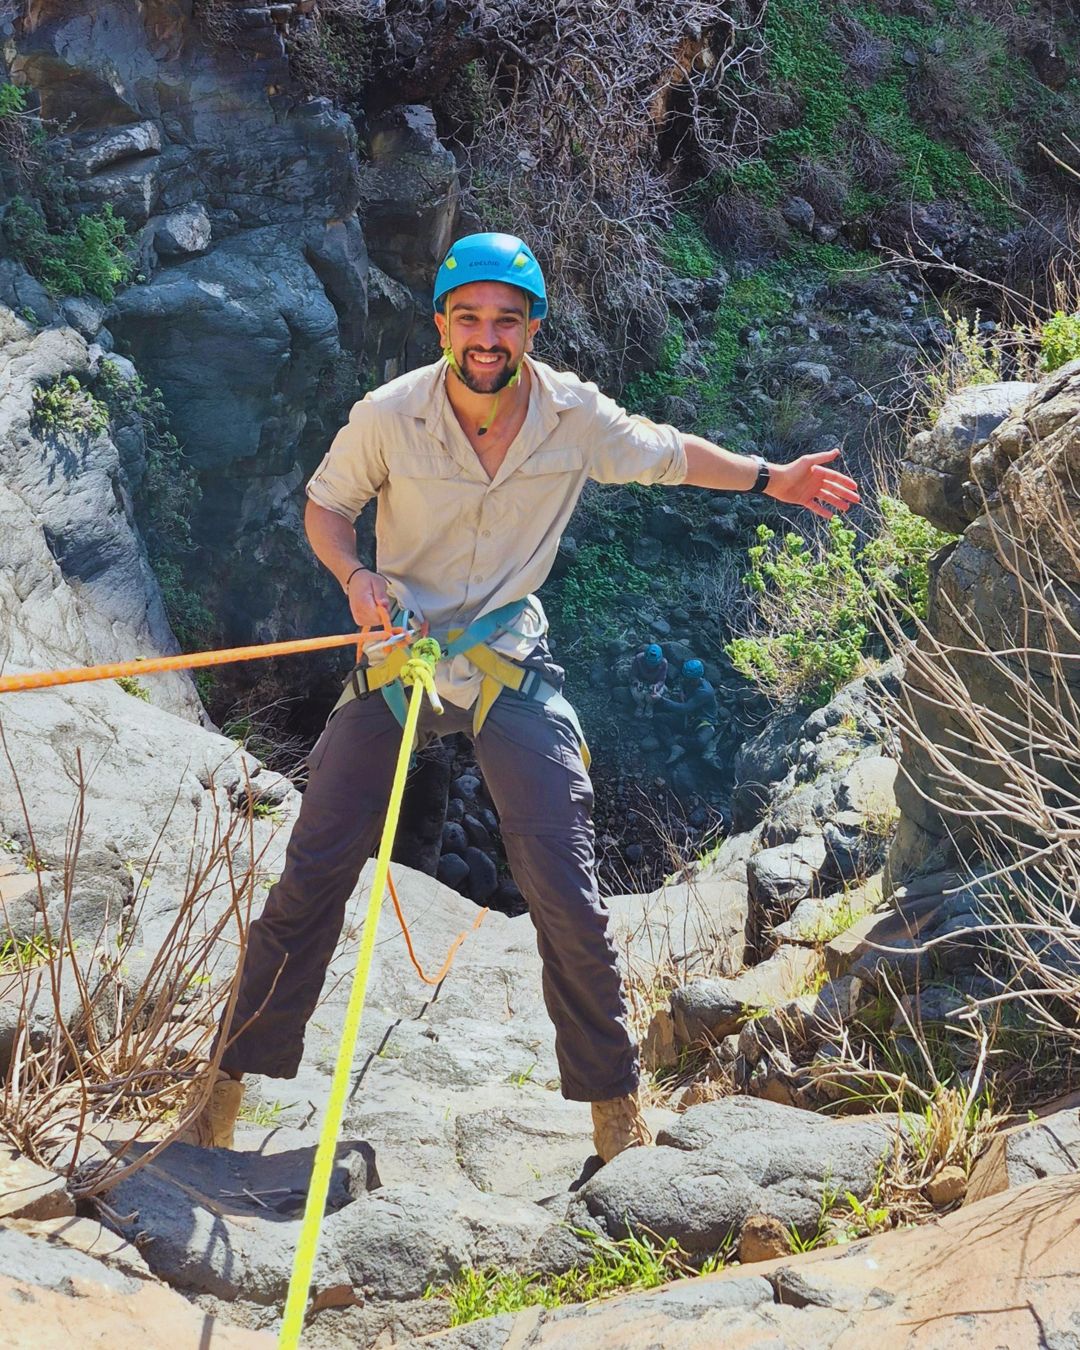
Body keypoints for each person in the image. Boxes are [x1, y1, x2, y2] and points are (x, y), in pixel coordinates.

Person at [180, 231, 859, 1163]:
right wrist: (356, 579)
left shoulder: (573, 416)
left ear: (532, 327)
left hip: (506, 658)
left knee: (566, 887)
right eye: (469, 318)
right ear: (441, 326)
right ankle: (222, 1091)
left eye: (507, 320)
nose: (487, 337)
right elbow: (327, 507)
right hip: (401, 654)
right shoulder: (389, 415)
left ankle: (614, 1111)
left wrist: (771, 480)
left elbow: (668, 455)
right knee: (313, 873)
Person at [653, 658, 719, 765]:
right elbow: (682, 685)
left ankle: (679, 741)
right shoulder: (686, 680)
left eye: (690, 679)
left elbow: (684, 708)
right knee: (658, 719)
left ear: (697, 678)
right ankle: (673, 746)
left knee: (701, 741)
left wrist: (661, 700)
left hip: (703, 722)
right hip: (687, 719)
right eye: (686, 678)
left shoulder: (705, 691)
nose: (686, 680)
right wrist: (681, 692)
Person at [629, 643, 667, 717]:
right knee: (636, 694)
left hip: (654, 684)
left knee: (652, 696)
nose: (651, 666)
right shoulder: (638, 658)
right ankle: (640, 705)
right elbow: (633, 675)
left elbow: (662, 680)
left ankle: (649, 706)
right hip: (640, 682)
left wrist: (656, 686)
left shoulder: (664, 663)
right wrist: (636, 682)